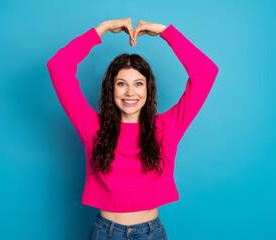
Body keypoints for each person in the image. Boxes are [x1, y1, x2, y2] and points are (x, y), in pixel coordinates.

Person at [47, 18, 219, 240]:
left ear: (148, 90)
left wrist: (166, 33)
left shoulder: (168, 126)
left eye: (138, 83)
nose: (130, 92)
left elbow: (206, 72)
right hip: (105, 233)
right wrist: (103, 29)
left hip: (150, 233)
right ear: (111, 90)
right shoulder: (91, 126)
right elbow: (58, 66)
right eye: (121, 84)